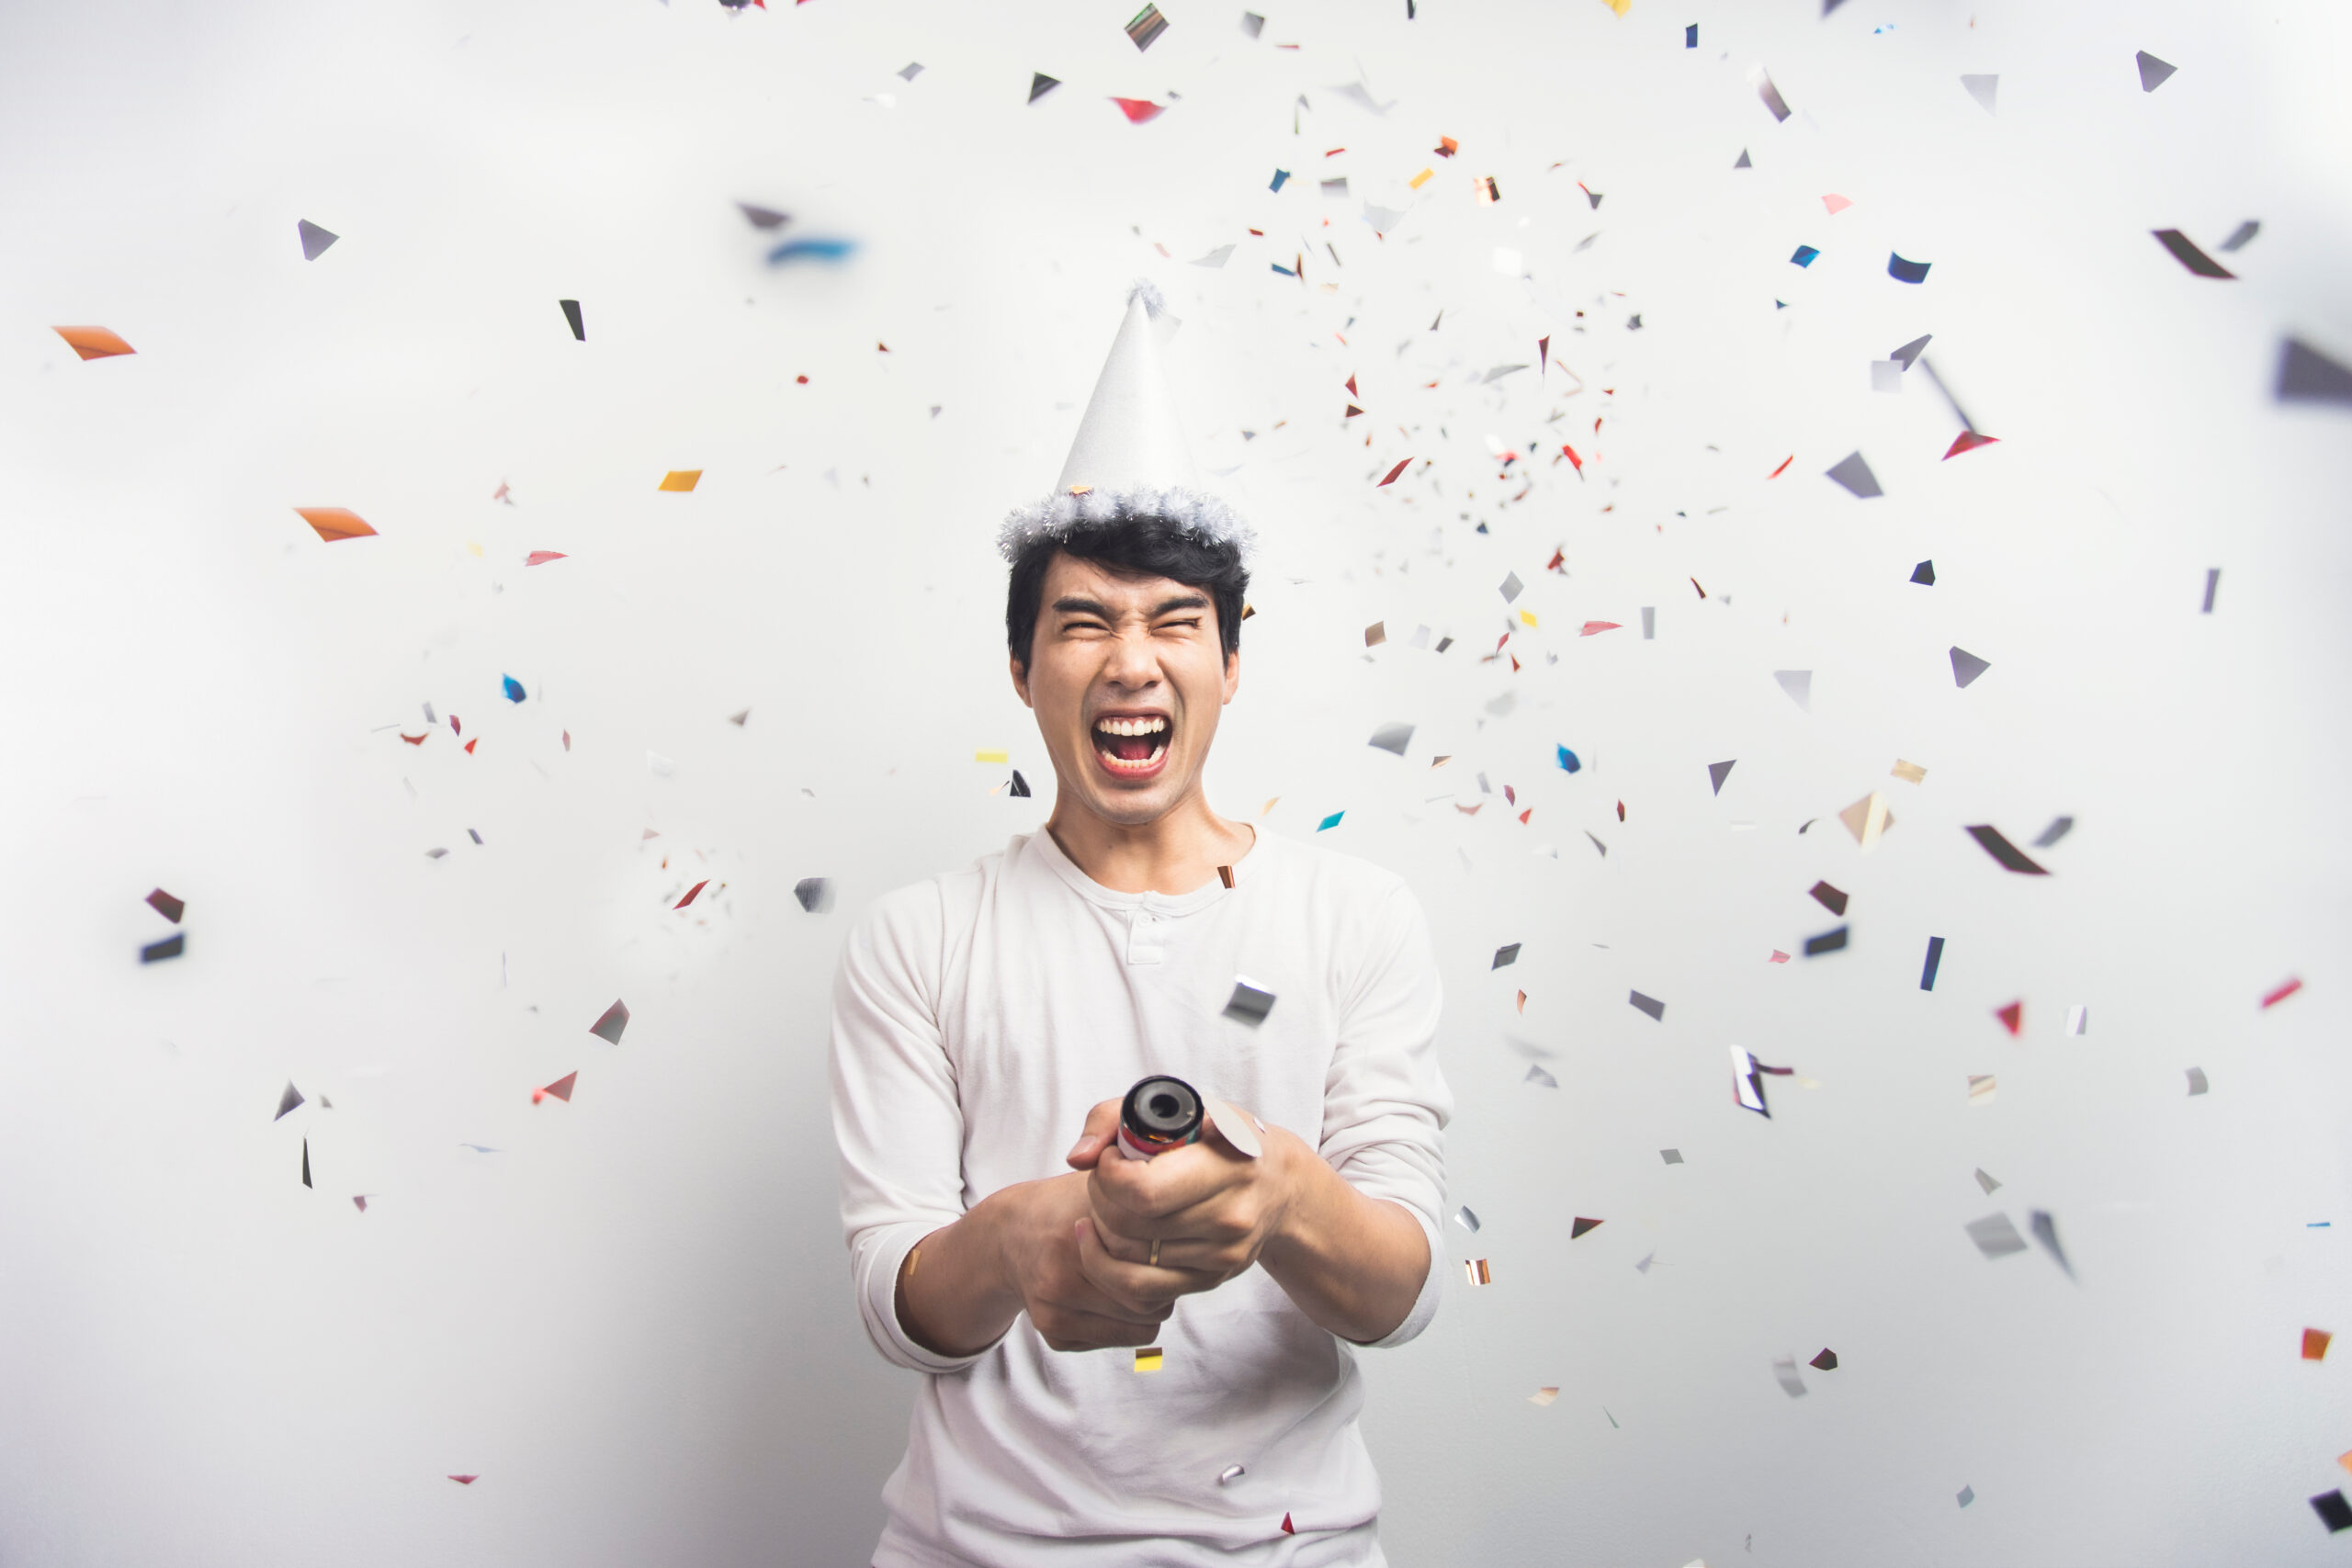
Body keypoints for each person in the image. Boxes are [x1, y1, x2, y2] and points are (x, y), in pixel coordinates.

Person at [830, 283, 1452, 1568]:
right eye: (1084, 624)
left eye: (1176, 623)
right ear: (1023, 669)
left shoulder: (1356, 916)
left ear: (1231, 661)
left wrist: (1279, 1194)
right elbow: (898, 1308)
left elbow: (1402, 1291)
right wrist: (1020, 1235)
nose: (1131, 662)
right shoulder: (920, 938)